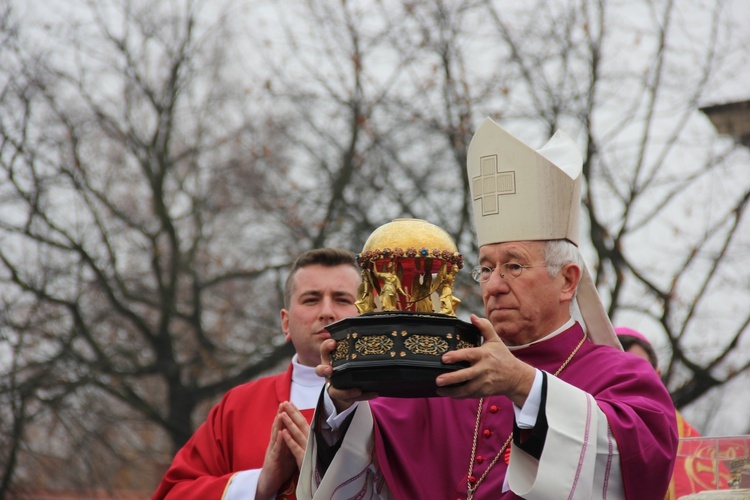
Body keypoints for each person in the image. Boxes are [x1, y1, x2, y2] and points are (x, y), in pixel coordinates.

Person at [297, 118, 678, 499]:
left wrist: (523, 385)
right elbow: (362, 473)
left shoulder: (622, 375)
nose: (493, 286)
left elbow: (638, 460)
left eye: (514, 265)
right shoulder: (441, 375)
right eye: (485, 268)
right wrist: (341, 402)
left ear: (567, 281)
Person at [153, 248, 361, 499]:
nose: (327, 311)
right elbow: (173, 493)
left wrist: (330, 475)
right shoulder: (238, 408)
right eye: (311, 299)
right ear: (286, 323)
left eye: (342, 299)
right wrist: (259, 485)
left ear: (366, 316)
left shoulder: (399, 405)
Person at [616, 326, 728, 498]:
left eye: (637, 370)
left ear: (657, 376)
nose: (627, 380)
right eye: (616, 370)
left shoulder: (696, 452)